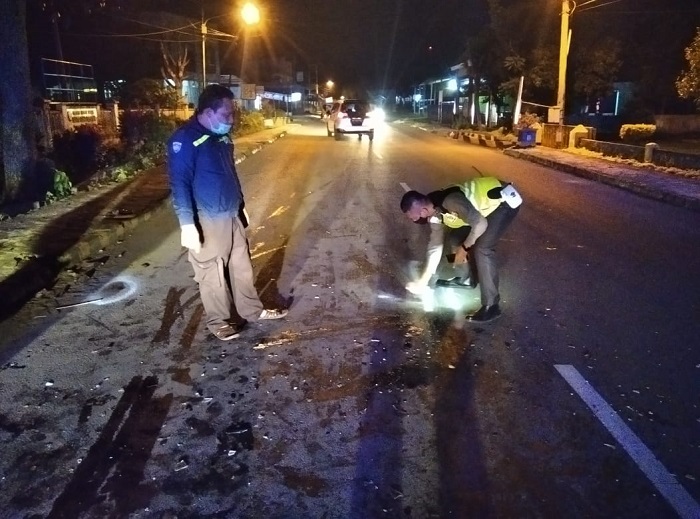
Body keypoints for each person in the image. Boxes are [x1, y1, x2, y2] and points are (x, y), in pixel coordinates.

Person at [167, 84, 287, 341]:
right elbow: (179, 183)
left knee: (241, 265)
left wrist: (241, 205)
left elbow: (229, 174)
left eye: (232, 114)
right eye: (226, 115)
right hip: (207, 217)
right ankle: (218, 321)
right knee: (211, 271)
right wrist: (188, 224)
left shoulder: (221, 137)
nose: (231, 120)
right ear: (208, 113)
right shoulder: (185, 139)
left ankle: (252, 311)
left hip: (231, 212)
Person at [400, 176, 522, 323]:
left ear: (424, 210)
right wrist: (423, 282)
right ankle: (466, 279)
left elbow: (480, 224)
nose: (414, 221)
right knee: (454, 239)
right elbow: (435, 247)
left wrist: (465, 248)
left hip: (503, 202)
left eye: (414, 218)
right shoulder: (435, 212)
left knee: (483, 249)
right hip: (476, 212)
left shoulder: (451, 202)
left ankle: (491, 306)